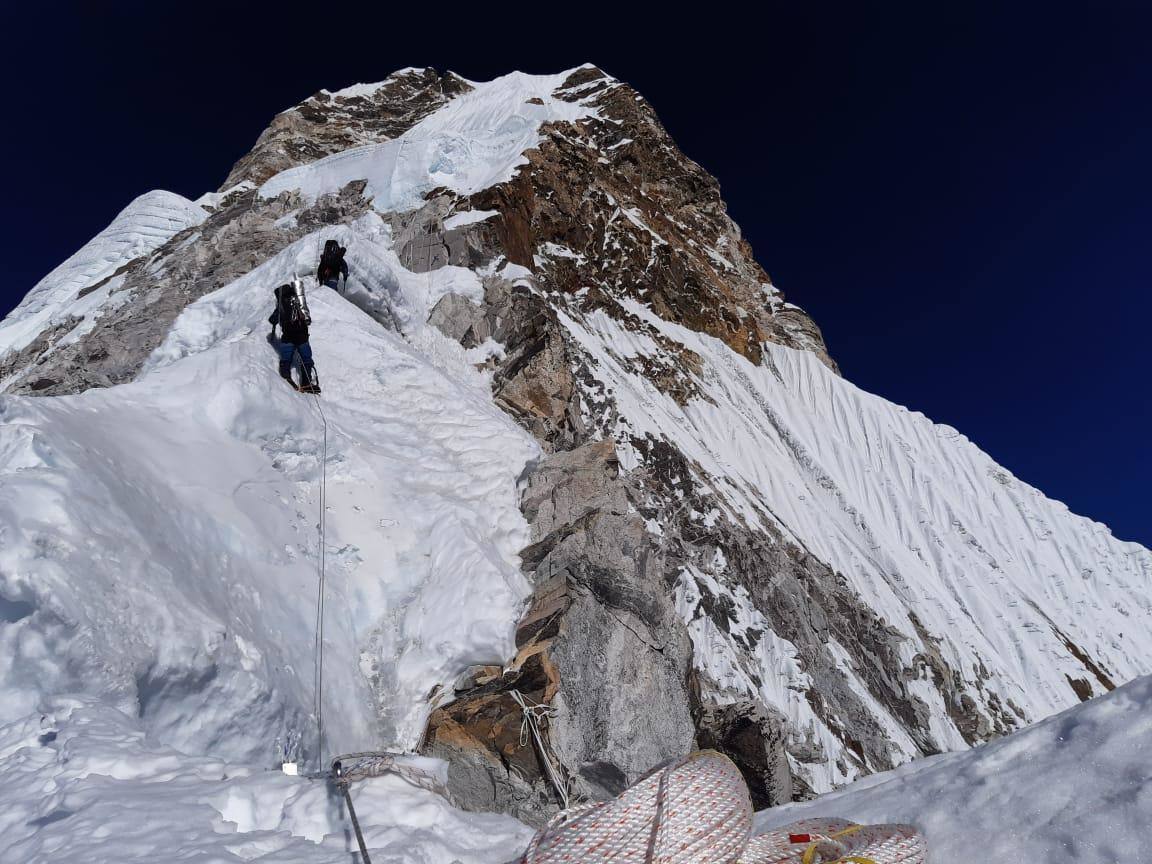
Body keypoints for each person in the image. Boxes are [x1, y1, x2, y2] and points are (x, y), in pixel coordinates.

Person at [269, 279, 320, 393]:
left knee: (286, 359)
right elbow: (308, 319)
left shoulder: (281, 305)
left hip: (288, 337)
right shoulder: (298, 301)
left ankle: (286, 378)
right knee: (306, 359)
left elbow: (272, 320)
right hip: (302, 336)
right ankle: (306, 383)